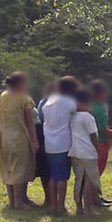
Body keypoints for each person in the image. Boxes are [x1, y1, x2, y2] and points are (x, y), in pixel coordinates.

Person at [0, 72, 39, 210]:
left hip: (5, 136)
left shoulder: (3, 96)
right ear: (21, 84)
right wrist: (34, 141)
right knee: (20, 168)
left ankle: (14, 199)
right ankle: (19, 202)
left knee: (8, 167)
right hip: (20, 137)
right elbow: (30, 122)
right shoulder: (24, 99)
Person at [42, 75, 79, 214]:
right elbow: (77, 112)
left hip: (49, 143)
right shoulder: (69, 102)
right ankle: (61, 206)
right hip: (63, 143)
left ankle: (53, 204)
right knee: (62, 177)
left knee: (53, 176)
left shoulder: (49, 100)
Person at [69, 88, 103, 215]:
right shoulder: (88, 117)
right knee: (90, 179)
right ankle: (88, 208)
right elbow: (93, 135)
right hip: (88, 152)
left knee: (79, 179)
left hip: (75, 151)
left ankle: (79, 207)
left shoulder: (73, 116)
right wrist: (98, 149)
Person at [35, 82, 56, 207]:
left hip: (44, 138)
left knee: (46, 171)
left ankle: (49, 198)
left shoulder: (43, 102)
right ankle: (49, 198)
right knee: (47, 171)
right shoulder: (47, 103)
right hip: (45, 139)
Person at [90, 79, 112, 176]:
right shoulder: (99, 109)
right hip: (99, 144)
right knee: (96, 174)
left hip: (87, 144)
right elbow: (102, 130)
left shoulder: (88, 104)